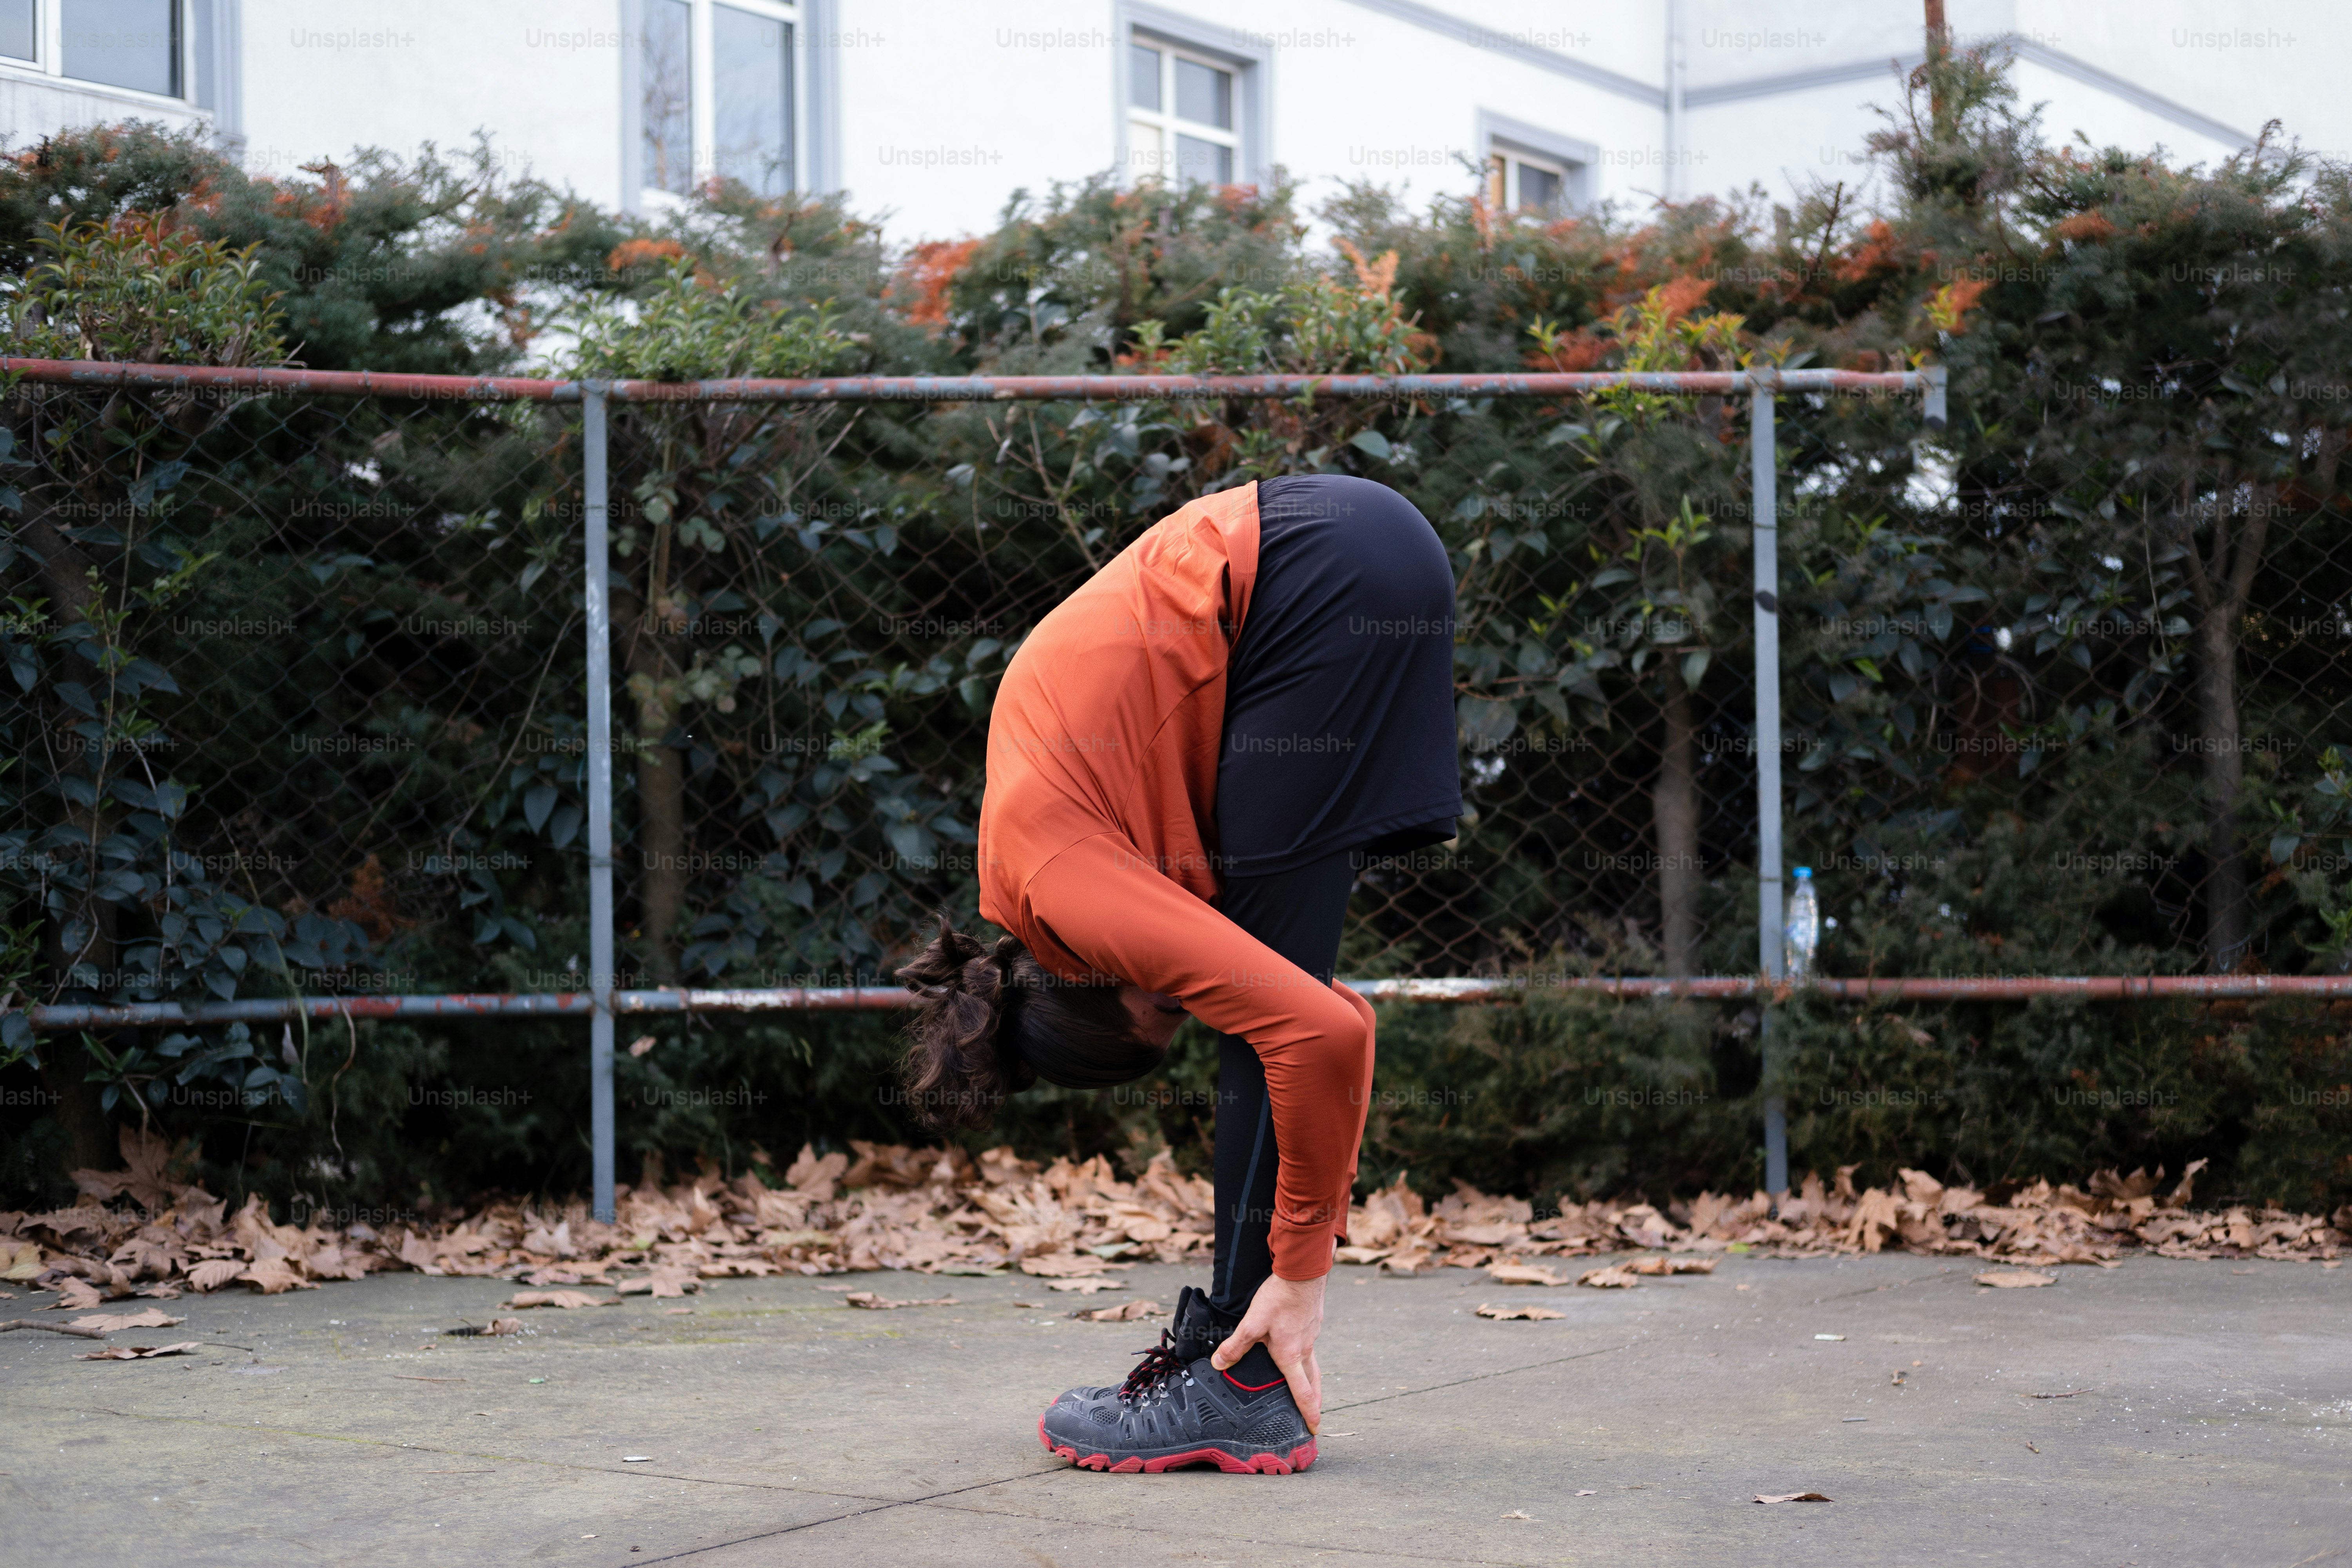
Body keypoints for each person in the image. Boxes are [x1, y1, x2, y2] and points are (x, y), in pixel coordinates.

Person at [895, 474, 1460, 1474]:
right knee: (1273, 1012)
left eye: (1162, 1006)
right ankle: (1234, 1364)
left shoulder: (1062, 885)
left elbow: (1317, 1032)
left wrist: (1304, 1271)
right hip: (1352, 555)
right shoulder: (1052, 861)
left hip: (1305, 583)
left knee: (1267, 1024)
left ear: (1094, 980)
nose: (1180, 996)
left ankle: (1238, 1376)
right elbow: (1345, 1022)